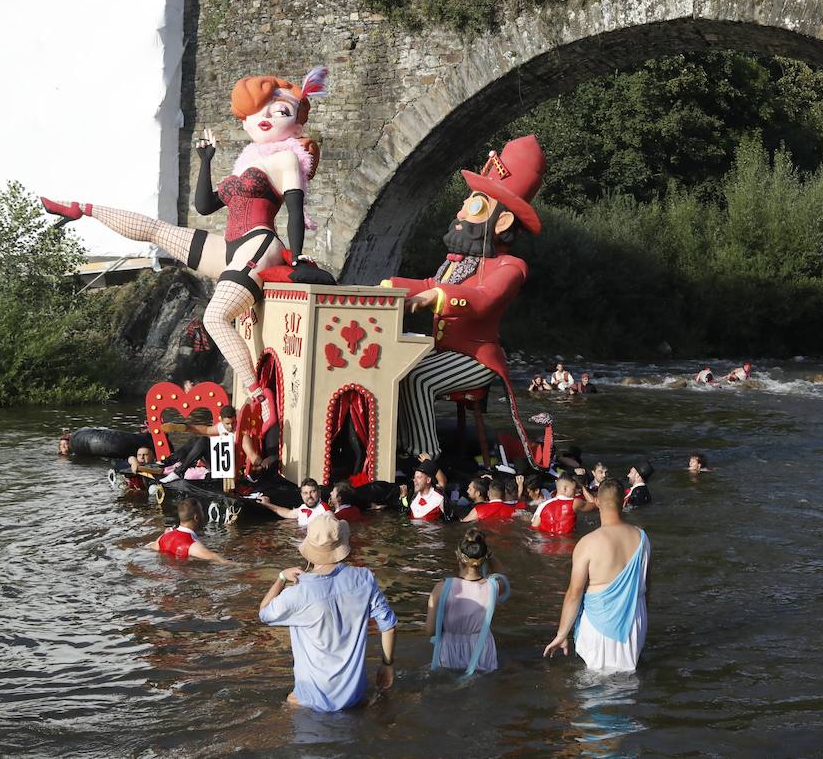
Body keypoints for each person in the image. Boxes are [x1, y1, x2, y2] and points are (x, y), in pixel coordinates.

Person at [42, 69, 334, 405]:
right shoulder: (245, 163)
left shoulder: (285, 159)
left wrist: (295, 255)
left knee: (214, 316)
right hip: (230, 246)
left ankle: (259, 398)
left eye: (280, 111)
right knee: (159, 231)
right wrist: (206, 161)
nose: (267, 118)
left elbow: (295, 211)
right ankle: (83, 208)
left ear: (296, 122)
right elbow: (206, 205)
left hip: (260, 243)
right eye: (259, 111)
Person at [381, 137, 545, 462]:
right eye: (467, 203)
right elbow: (429, 283)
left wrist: (435, 296)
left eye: (474, 206)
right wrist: (388, 286)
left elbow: (481, 300)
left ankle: (427, 460)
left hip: (477, 360)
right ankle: (394, 449)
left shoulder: (511, 267)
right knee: (391, 370)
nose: (461, 213)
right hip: (442, 352)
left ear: (502, 221)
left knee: (417, 379)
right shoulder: (458, 262)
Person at [258, 512, 397, 712]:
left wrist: (281, 577)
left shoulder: (297, 593)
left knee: (288, 704)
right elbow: (389, 626)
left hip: (310, 702)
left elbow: (264, 613)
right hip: (354, 698)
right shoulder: (364, 579)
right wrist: (387, 665)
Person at [543, 479, 650, 673]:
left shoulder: (588, 543)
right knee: (629, 684)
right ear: (623, 502)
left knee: (594, 684)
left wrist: (562, 634)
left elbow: (574, 593)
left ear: (597, 502)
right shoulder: (642, 538)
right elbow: (647, 587)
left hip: (599, 625)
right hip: (635, 621)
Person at [424, 529, 511, 675]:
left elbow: (430, 630)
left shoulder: (442, 587)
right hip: (482, 649)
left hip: (449, 650)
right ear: (483, 558)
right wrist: (490, 556)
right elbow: (502, 574)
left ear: (458, 557)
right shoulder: (493, 586)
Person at [144, 500, 230, 562]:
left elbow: (148, 547)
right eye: (202, 512)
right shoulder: (192, 544)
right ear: (196, 517)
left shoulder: (163, 537)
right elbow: (222, 562)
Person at [258, 478, 331, 527]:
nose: (309, 496)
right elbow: (288, 513)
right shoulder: (303, 507)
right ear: (301, 495)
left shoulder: (325, 511)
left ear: (319, 492)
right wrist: (267, 504)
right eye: (305, 493)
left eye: (312, 492)